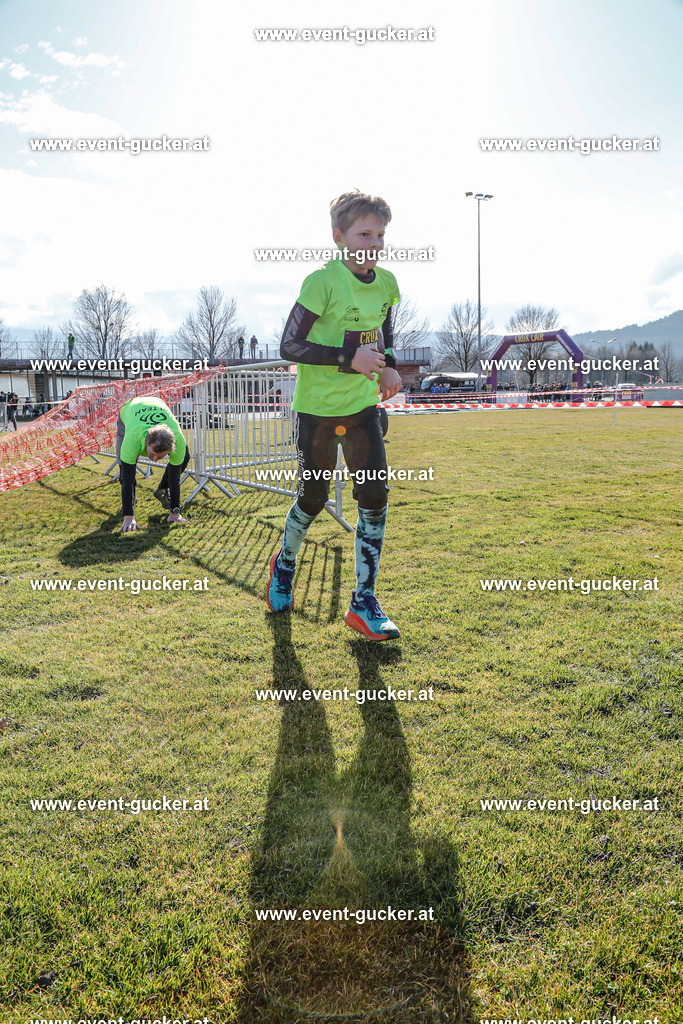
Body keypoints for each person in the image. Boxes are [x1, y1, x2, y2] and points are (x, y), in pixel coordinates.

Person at [267, 189, 402, 640]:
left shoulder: (386, 283)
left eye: (380, 235)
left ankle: (364, 601)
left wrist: (388, 367)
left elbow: (382, 331)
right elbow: (289, 346)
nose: (374, 244)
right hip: (316, 414)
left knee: (375, 497)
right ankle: (284, 565)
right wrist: (350, 358)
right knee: (312, 499)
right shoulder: (321, 281)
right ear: (339, 237)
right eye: (365, 233)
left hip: (362, 409)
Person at [115, 395, 191, 532]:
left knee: (184, 457)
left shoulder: (178, 439)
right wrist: (128, 516)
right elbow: (127, 477)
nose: (155, 460)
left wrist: (175, 512)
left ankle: (162, 489)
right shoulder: (133, 439)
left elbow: (175, 478)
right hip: (129, 410)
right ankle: (130, 501)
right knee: (124, 467)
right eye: (152, 454)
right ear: (145, 443)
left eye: (161, 456)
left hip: (157, 403)